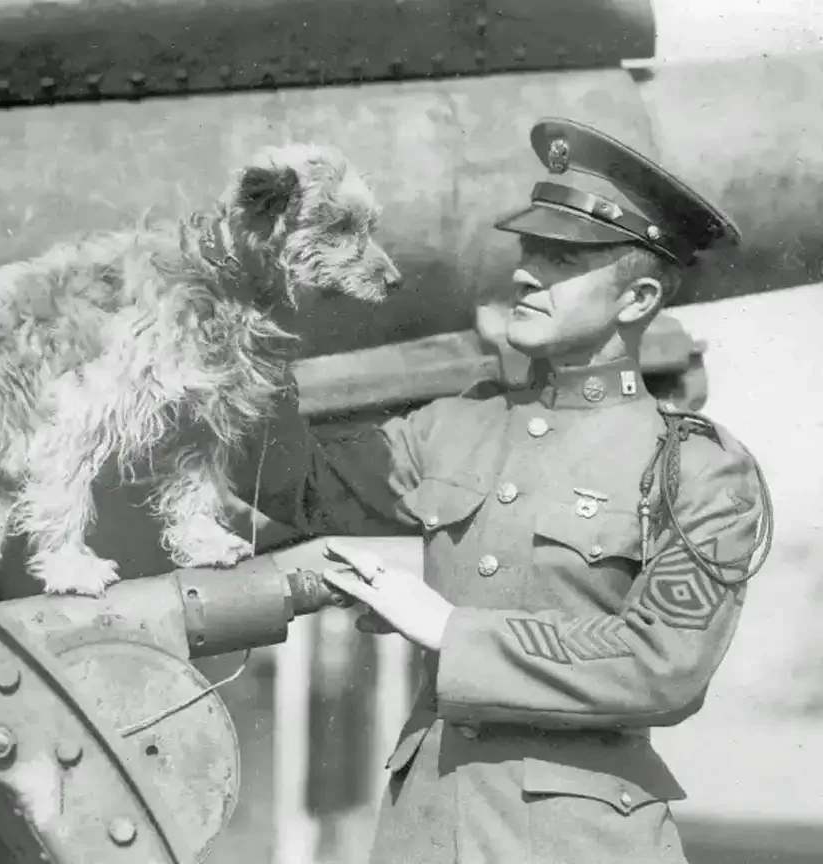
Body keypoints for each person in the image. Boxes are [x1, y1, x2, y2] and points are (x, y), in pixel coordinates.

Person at [236, 117, 773, 863]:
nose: (525, 273)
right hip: (423, 828)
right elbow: (293, 487)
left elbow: (664, 664)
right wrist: (246, 324)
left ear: (637, 296)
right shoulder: (458, 427)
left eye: (561, 259)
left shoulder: (699, 469)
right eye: (528, 250)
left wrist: (450, 630)